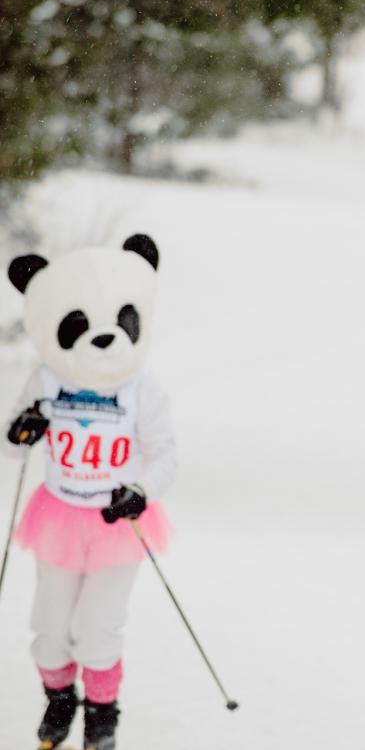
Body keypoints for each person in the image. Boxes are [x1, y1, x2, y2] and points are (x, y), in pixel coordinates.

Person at [5, 236, 175, 750]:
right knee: (50, 625)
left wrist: (141, 491)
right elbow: (11, 445)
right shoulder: (46, 378)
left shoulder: (140, 387)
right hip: (58, 517)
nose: (100, 339)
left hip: (116, 524)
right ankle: (59, 699)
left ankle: (102, 713)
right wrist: (22, 431)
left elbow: (165, 454)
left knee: (99, 626)